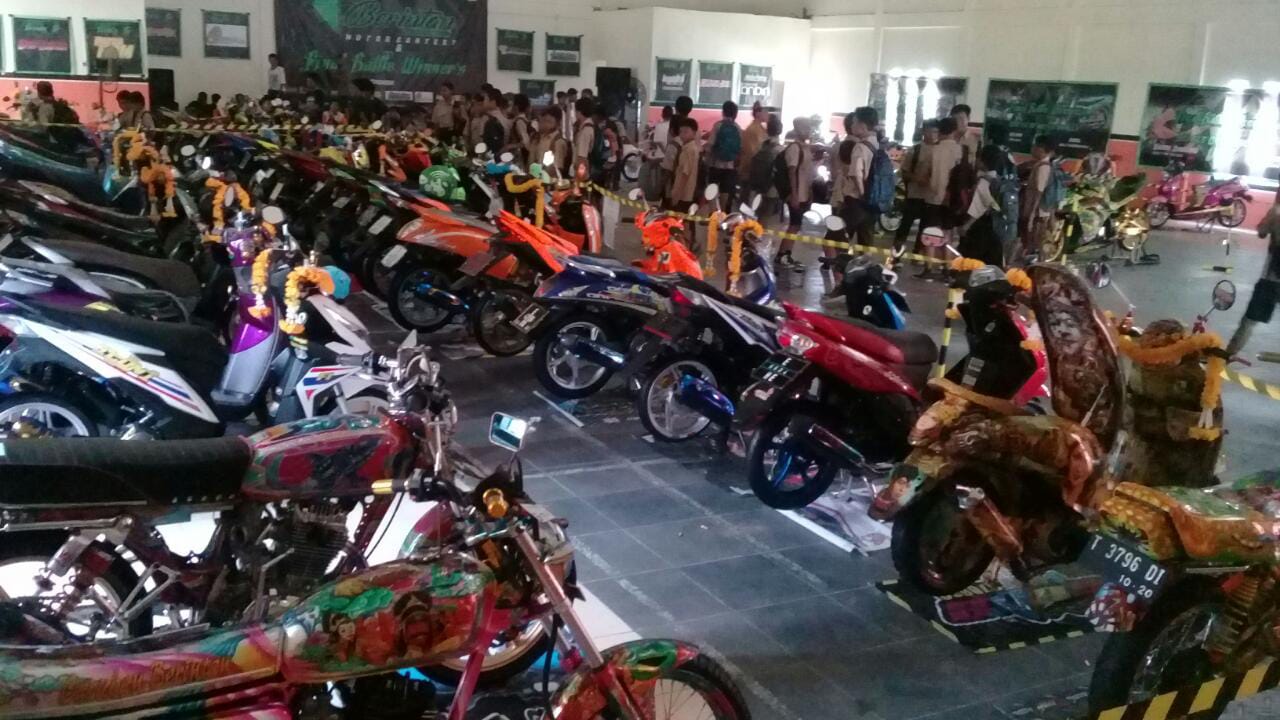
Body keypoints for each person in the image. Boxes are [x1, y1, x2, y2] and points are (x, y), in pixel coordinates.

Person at [1227, 193, 1280, 356]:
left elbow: (1262, 232)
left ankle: (1228, 355)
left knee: (1250, 320)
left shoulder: (1276, 211)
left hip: (1272, 278)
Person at [919, 115, 963, 278]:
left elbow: (924, 175)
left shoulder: (934, 150)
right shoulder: (960, 150)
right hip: (953, 199)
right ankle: (946, 269)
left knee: (931, 234)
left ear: (940, 131)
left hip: (934, 197)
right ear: (954, 130)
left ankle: (929, 269)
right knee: (948, 234)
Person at [834, 106, 880, 261]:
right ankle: (863, 270)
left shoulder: (860, 147)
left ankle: (840, 270)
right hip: (873, 201)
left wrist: (862, 194)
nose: (852, 126)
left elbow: (855, 174)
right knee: (865, 241)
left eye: (854, 122)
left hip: (856, 200)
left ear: (862, 125)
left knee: (837, 237)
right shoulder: (877, 144)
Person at [956, 144, 1010, 267]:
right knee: (991, 261)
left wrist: (966, 226)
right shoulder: (999, 180)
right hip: (996, 224)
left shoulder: (984, 182)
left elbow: (979, 208)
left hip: (981, 227)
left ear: (983, 161)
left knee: (973, 260)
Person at [776, 116, 815, 270]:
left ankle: (785, 254)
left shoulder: (805, 147)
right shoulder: (795, 148)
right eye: (806, 127)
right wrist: (794, 194)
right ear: (798, 129)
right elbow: (791, 172)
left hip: (802, 192)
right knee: (794, 224)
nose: (809, 130)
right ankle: (782, 255)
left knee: (796, 225)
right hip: (796, 193)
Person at [895, 119, 938, 254]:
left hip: (931, 198)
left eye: (936, 132)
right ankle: (896, 255)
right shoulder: (915, 150)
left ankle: (917, 255)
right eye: (931, 131)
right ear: (924, 132)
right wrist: (916, 179)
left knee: (925, 230)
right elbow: (904, 172)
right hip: (914, 195)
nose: (934, 135)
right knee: (904, 227)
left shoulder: (940, 150)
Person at [1021, 134, 1059, 258]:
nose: (1032, 149)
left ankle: (1037, 265)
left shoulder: (1043, 167)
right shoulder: (1041, 165)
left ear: (1041, 149)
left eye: (1035, 146)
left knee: (1035, 244)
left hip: (1038, 213)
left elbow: (1039, 192)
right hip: (1039, 212)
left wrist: (1031, 215)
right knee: (1033, 243)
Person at [706, 101, 743, 211]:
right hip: (730, 166)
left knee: (712, 187)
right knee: (725, 190)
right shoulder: (738, 128)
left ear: (723, 112)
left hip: (715, 164)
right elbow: (740, 148)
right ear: (735, 114)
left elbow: (710, 145)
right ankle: (723, 213)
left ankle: (713, 213)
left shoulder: (718, 126)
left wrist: (707, 158)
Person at [668, 117, 700, 210]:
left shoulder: (688, 150)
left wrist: (677, 194)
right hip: (688, 192)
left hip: (683, 194)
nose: (682, 135)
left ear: (694, 133)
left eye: (686, 132)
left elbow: (684, 174)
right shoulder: (692, 148)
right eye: (680, 132)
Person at [530, 107, 571, 176]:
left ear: (557, 123)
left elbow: (557, 168)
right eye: (544, 121)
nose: (545, 124)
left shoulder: (558, 142)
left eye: (549, 122)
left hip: (547, 179)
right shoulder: (539, 138)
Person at [739, 102, 768, 180]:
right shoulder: (754, 130)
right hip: (751, 170)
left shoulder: (759, 128)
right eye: (764, 112)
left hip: (753, 168)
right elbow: (752, 152)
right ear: (758, 113)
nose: (766, 114)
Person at [508, 93, 533, 163]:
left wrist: (509, 146)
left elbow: (525, 142)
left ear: (516, 107)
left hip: (520, 156)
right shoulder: (523, 120)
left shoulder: (519, 121)